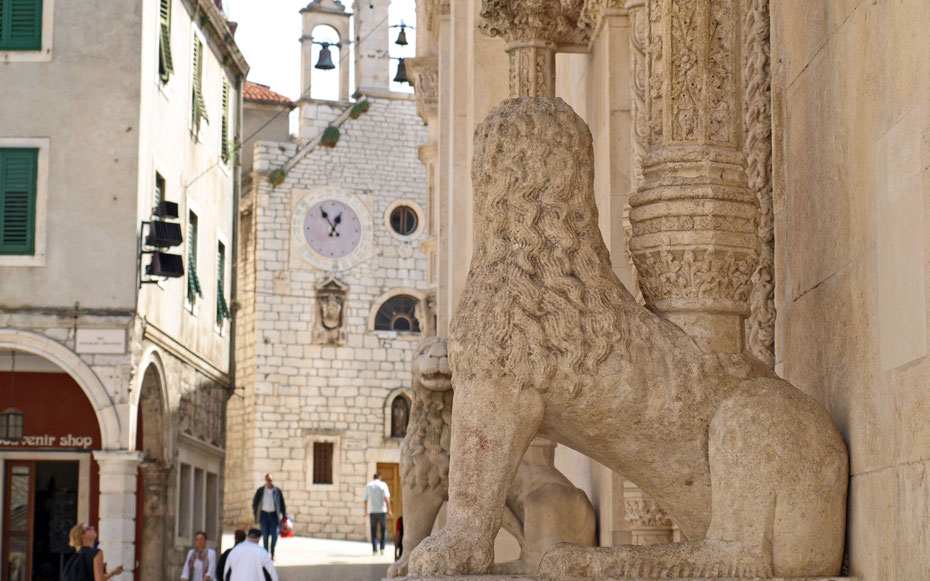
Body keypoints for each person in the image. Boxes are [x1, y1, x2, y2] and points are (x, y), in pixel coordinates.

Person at [251, 474, 287, 559]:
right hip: (264, 515)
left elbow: (282, 504)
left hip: (274, 515)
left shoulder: (277, 491)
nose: (269, 482)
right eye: (267, 480)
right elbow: (255, 503)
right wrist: (256, 513)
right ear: (265, 480)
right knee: (265, 535)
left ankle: (272, 551)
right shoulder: (261, 490)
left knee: (275, 534)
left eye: (270, 480)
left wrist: (284, 515)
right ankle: (265, 553)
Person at [363, 472, 393, 555]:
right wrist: (389, 510)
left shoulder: (369, 485)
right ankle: (382, 548)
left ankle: (374, 550)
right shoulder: (383, 485)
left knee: (373, 530)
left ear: (373, 478)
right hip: (382, 511)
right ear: (380, 478)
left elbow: (365, 500)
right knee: (383, 530)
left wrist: (366, 511)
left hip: (372, 511)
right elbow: (387, 498)